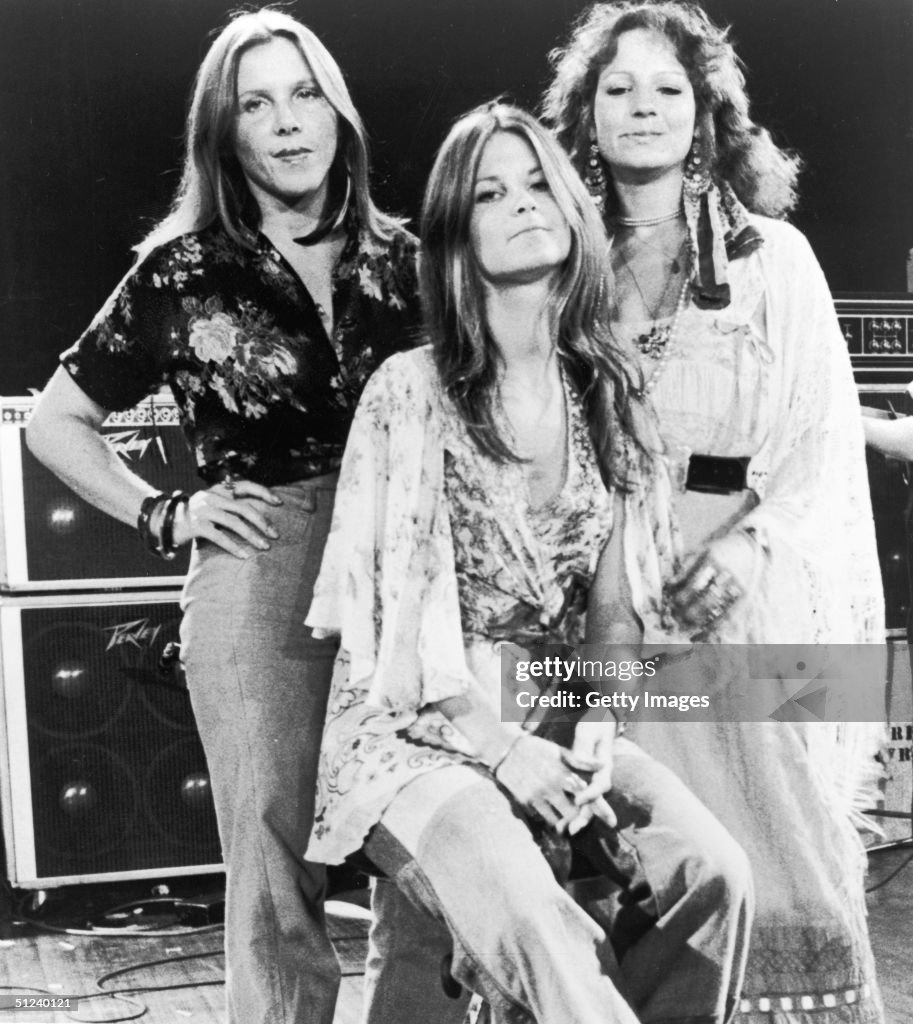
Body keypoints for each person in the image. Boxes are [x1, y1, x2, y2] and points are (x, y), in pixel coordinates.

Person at [24, 10, 456, 1024]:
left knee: (431, 835)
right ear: (226, 132)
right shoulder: (179, 271)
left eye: (305, 94)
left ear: (337, 113)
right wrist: (165, 514)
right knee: (272, 860)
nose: (288, 122)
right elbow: (56, 421)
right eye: (256, 103)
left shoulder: (409, 261)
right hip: (264, 561)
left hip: (412, 564)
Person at [304, 101, 753, 1024]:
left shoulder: (611, 388)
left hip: (553, 721)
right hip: (415, 739)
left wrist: (598, 726)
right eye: (489, 193)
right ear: (455, 236)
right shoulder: (410, 393)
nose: (522, 203)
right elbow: (399, 646)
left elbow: (614, 615)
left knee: (714, 876)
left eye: (538, 181)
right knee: (535, 922)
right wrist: (505, 753)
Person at [543, 3, 885, 1022]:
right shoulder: (558, 262)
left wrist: (750, 547)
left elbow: (823, 439)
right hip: (603, 615)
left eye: (666, 89)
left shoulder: (773, 257)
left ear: (705, 116)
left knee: (786, 854)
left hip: (739, 604)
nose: (641, 107)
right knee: (629, 865)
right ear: (586, 117)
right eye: (618, 89)